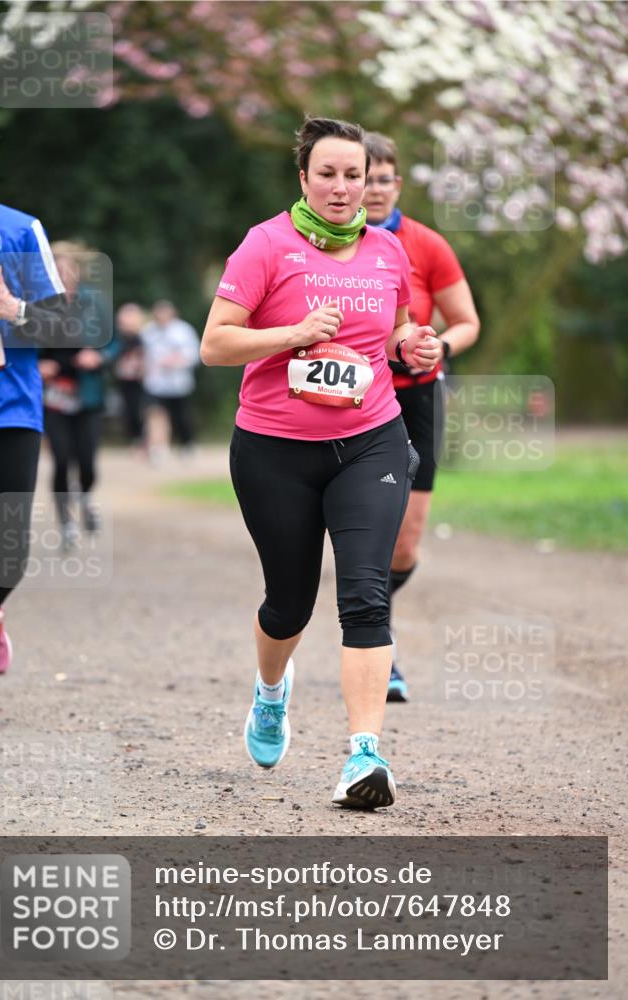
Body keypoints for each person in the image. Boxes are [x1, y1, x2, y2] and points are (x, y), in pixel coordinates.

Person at [201, 116, 440, 809]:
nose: (342, 188)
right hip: (274, 450)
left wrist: (411, 347)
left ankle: (364, 756)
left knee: (364, 593)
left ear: (371, 183)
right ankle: (271, 692)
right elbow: (215, 345)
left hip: (371, 441)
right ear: (303, 178)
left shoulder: (387, 252)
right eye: (328, 174)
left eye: (354, 175)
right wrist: (294, 335)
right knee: (289, 601)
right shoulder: (266, 245)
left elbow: (394, 330)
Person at [363, 132, 480, 702]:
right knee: (369, 529)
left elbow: (465, 320)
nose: (375, 190)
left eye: (385, 179)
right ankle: (376, 646)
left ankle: (369, 610)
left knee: (405, 544)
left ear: (398, 184)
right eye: (366, 178)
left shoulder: (426, 244)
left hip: (418, 395)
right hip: (360, 394)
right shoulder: (328, 247)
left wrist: (441, 349)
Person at [0, 109, 66, 729]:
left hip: (9, 409)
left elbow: (65, 326)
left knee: (7, 553)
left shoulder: (18, 230)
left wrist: (16, 307)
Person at [39, 241, 114, 548]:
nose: (63, 274)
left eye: (68, 269)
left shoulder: (94, 302)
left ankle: (83, 495)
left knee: (86, 462)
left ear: (77, 272)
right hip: (54, 396)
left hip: (88, 394)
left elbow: (115, 342)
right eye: (56, 269)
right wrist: (37, 364)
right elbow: (21, 345)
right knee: (60, 460)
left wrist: (100, 357)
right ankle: (67, 524)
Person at [141, 300, 200, 463]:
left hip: (179, 384)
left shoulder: (184, 330)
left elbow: (195, 354)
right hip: (155, 383)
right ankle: (158, 448)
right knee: (156, 414)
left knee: (182, 417)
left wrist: (177, 360)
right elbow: (143, 355)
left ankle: (187, 444)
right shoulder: (148, 332)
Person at [113, 302, 146, 449]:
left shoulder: (144, 336)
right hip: (125, 380)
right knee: (128, 411)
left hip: (142, 381)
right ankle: (135, 439)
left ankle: (145, 440)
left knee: (143, 410)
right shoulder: (118, 338)